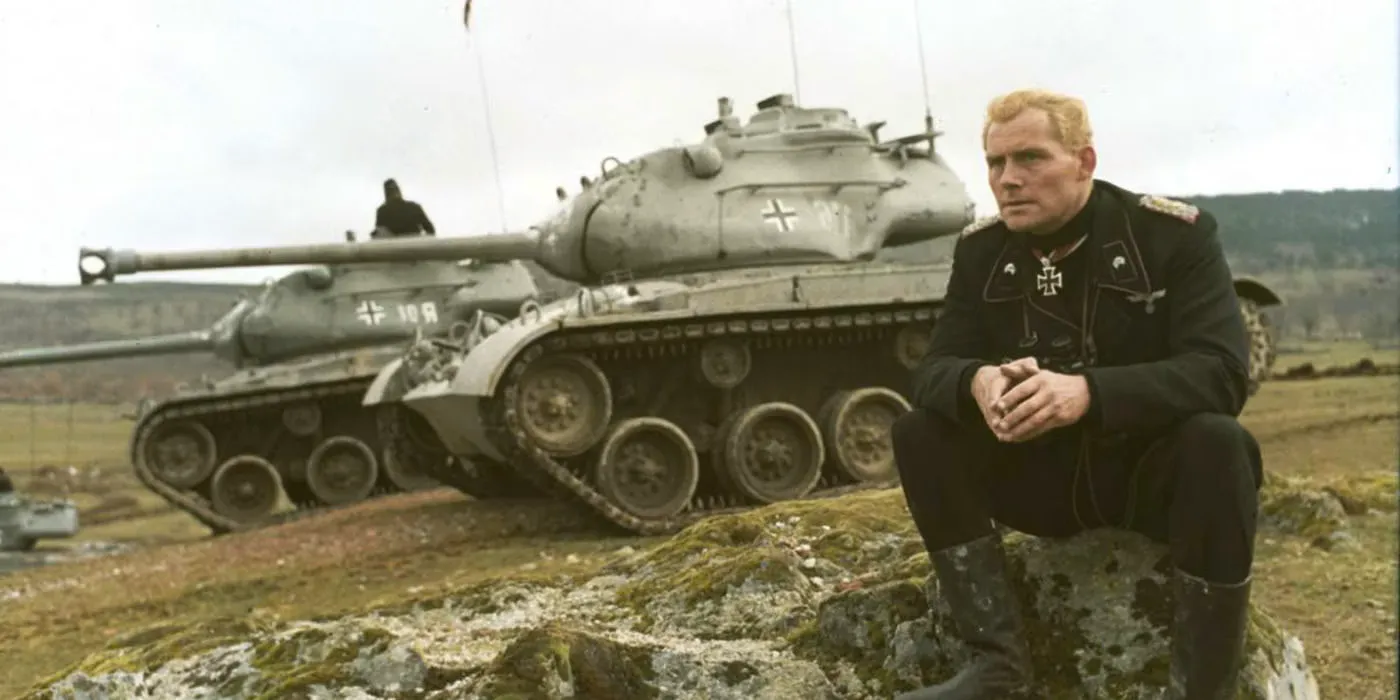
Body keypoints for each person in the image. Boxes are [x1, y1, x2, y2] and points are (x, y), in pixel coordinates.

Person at [891, 88, 1263, 699]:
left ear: (1084, 162)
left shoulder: (1173, 237)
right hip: (1042, 481)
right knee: (919, 431)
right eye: (994, 163)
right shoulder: (981, 252)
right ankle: (998, 666)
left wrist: (1088, 393)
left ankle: (1204, 689)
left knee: (1220, 441)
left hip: (1148, 482)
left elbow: (1222, 373)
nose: (1007, 180)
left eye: (1030, 159)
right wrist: (975, 381)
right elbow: (933, 368)